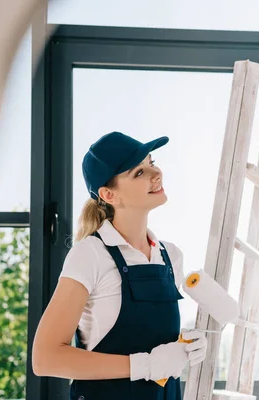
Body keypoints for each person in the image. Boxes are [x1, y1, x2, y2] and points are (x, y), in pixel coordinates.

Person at [32, 131, 208, 400]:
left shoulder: (170, 256)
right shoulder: (90, 255)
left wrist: (186, 347)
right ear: (108, 194)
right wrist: (145, 365)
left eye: (151, 162)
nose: (156, 173)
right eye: (139, 172)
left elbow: (156, 347)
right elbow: (46, 358)